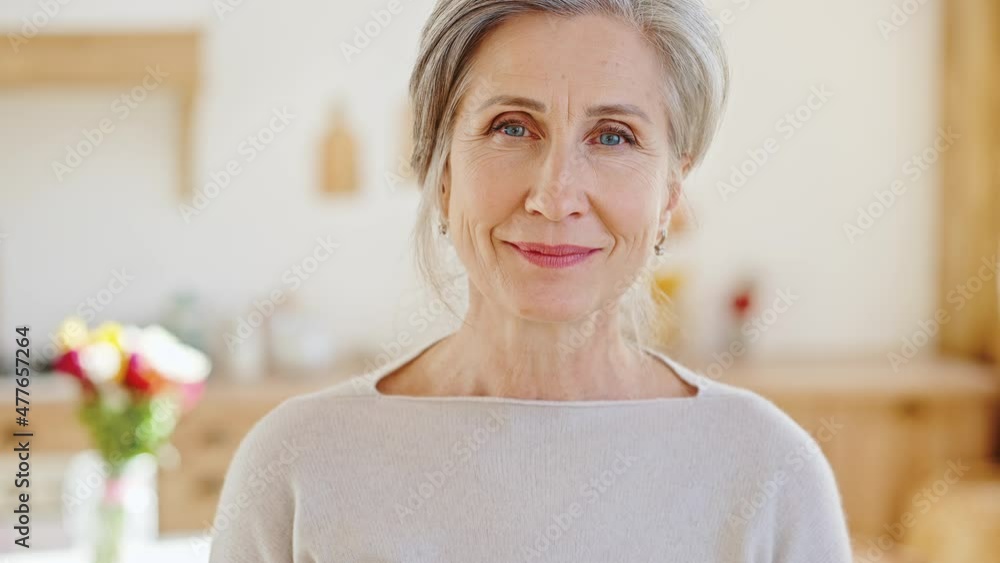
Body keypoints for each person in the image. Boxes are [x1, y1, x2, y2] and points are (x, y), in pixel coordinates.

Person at [208, 0, 853, 560]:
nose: (555, 196)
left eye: (613, 136)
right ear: (442, 172)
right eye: (512, 127)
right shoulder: (296, 464)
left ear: (670, 193)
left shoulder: (771, 471)